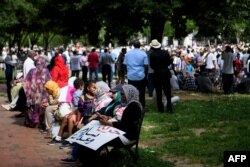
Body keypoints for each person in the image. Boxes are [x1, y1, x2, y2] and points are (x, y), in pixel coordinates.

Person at [60, 84, 142, 165]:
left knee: (95, 138)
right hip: (124, 133)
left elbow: (124, 126)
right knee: (93, 134)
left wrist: (109, 124)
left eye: (123, 94)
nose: (121, 96)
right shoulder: (131, 105)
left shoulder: (133, 106)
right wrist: (108, 118)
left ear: (129, 94)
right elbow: (124, 124)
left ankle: (89, 162)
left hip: (126, 137)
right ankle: (87, 160)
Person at [48, 81, 97, 145]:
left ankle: (70, 139)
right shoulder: (83, 97)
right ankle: (59, 137)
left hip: (88, 117)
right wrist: (77, 120)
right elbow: (79, 110)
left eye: (96, 88)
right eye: (94, 87)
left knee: (70, 118)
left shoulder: (96, 97)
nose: (95, 89)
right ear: (88, 88)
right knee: (66, 117)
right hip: (82, 116)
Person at [23, 56, 51, 128]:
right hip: (43, 94)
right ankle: (41, 122)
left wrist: (28, 93)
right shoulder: (46, 71)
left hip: (33, 94)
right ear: (44, 63)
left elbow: (26, 82)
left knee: (33, 107)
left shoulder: (32, 71)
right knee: (42, 107)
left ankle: (34, 121)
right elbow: (50, 83)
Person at [149, 39, 173, 113]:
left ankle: (160, 109)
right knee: (167, 91)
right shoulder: (165, 52)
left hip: (157, 74)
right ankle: (169, 108)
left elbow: (152, 66)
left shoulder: (152, 55)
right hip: (165, 73)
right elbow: (169, 62)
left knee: (158, 91)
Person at [124, 40, 148, 108]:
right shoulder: (143, 54)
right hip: (140, 75)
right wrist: (145, 74)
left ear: (133, 45)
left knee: (131, 92)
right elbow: (146, 65)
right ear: (140, 45)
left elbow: (125, 65)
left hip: (131, 75)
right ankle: (142, 106)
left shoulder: (128, 54)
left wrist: (128, 72)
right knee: (142, 92)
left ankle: (131, 106)